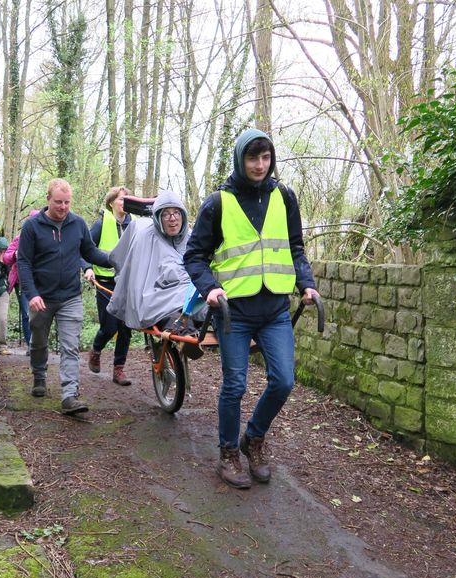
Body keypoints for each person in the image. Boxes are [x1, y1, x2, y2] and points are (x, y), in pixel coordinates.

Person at [184, 128, 320, 489]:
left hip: (275, 307)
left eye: (266, 157)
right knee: (235, 386)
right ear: (239, 159)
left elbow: (295, 247)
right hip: (235, 312)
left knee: (284, 380)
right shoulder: (218, 203)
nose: (260, 165)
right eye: (252, 158)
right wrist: (210, 289)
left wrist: (306, 283)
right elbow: (194, 255)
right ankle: (228, 452)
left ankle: (253, 438)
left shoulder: (284, 197)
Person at [17, 178, 112, 415]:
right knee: (39, 341)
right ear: (48, 199)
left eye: (67, 202)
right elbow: (24, 262)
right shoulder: (32, 226)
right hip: (42, 297)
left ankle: (70, 395)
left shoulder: (78, 224)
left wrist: (115, 259)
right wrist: (32, 294)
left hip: (70, 296)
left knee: (70, 347)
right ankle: (39, 375)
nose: (63, 207)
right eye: (58, 202)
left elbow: (90, 252)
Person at [106, 190, 192, 330]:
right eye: (166, 214)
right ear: (158, 217)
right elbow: (137, 279)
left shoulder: (191, 237)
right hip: (159, 295)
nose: (172, 218)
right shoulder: (145, 237)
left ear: (183, 215)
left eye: (176, 212)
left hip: (190, 294)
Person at [82, 186, 134, 386]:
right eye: (121, 199)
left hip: (128, 282)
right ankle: (96, 350)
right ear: (111, 202)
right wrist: (87, 268)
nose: (125, 202)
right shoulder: (101, 224)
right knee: (110, 326)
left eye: (127, 199)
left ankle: (118, 369)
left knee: (126, 327)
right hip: (105, 282)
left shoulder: (136, 224)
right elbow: (83, 249)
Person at [3, 209, 40, 355]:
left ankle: (38, 343)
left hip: (41, 281)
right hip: (23, 281)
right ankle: (31, 345)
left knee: (40, 314)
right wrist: (15, 254)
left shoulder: (46, 238)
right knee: (26, 313)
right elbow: (6, 257)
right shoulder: (19, 239)